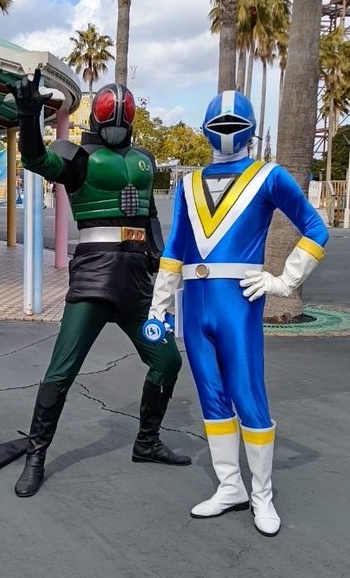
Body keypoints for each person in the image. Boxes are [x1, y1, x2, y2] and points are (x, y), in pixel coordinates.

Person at [148, 91, 328, 537]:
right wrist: (159, 305)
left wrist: (284, 280)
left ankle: (262, 494)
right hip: (195, 302)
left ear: (248, 128)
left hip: (238, 302)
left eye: (233, 123)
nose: (226, 131)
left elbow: (315, 227)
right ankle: (231, 486)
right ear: (206, 128)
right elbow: (175, 248)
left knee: (248, 395)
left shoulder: (268, 176)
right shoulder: (188, 184)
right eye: (219, 124)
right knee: (211, 395)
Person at [7, 70, 190, 498]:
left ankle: (147, 441)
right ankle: (36, 456)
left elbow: (149, 215)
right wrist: (28, 117)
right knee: (61, 370)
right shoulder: (79, 156)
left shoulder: (144, 160)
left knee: (167, 360)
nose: (116, 122)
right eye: (111, 113)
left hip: (138, 283)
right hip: (94, 280)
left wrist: (164, 264)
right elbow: (37, 161)